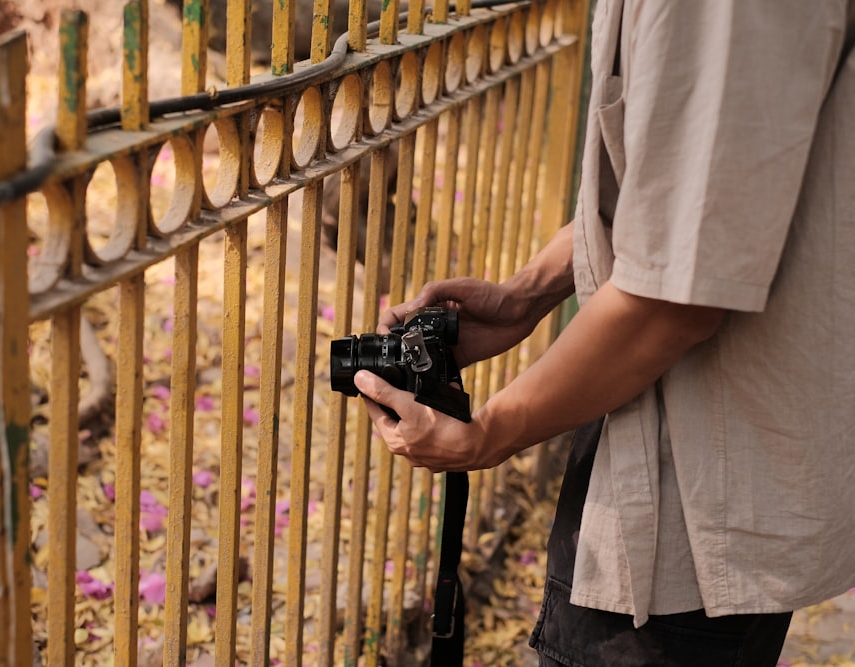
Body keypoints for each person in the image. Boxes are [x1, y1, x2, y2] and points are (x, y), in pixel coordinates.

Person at [352, 1, 855, 664]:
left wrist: (487, 434)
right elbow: (676, 193)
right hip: (681, 443)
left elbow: (675, 302)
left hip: (689, 495)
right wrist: (525, 295)